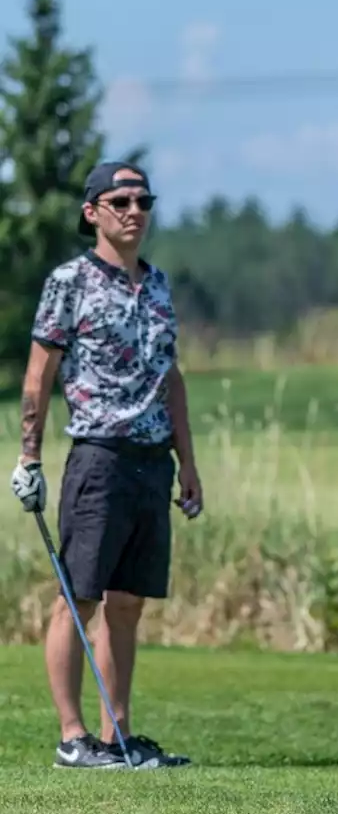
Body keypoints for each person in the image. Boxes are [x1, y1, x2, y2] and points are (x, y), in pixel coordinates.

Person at [9, 161, 203, 770]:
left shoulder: (160, 285)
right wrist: (30, 456)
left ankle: (118, 735)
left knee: (128, 603)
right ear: (92, 211)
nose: (134, 211)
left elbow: (171, 379)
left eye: (143, 201)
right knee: (79, 596)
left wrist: (187, 461)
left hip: (152, 462)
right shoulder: (70, 281)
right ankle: (74, 737)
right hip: (99, 456)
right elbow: (39, 375)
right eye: (120, 200)